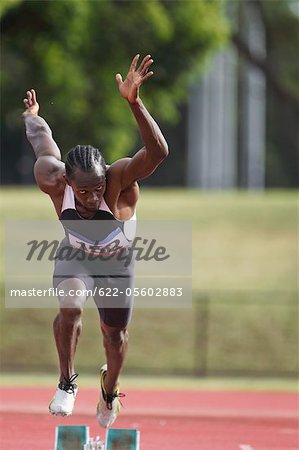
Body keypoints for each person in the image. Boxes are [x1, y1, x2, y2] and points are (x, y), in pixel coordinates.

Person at [22, 54, 168, 428]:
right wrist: (32, 115)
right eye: (83, 192)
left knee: (115, 337)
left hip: (117, 264)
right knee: (69, 307)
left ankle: (109, 390)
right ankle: (67, 382)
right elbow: (43, 141)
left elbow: (158, 153)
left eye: (96, 189)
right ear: (67, 184)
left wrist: (135, 104)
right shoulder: (52, 178)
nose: (90, 199)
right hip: (75, 255)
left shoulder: (118, 180)